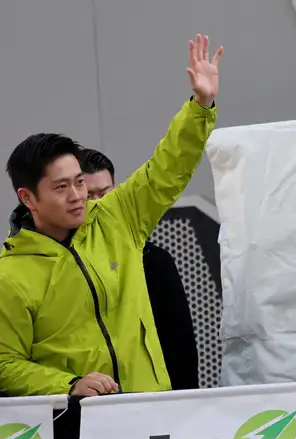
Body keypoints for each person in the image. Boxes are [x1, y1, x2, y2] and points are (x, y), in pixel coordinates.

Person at [0, 34, 222, 397]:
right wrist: (68, 385)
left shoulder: (117, 216)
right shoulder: (9, 277)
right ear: (28, 198)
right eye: (61, 188)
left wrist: (201, 105)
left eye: (78, 183)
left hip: (152, 412)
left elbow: (168, 167)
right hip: (76, 431)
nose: (77, 197)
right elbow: (5, 366)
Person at [81, 148, 200, 390]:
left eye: (104, 193)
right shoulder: (62, 264)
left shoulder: (154, 261)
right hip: (89, 405)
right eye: (88, 196)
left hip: (155, 403)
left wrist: (186, 402)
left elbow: (180, 344)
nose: (97, 204)